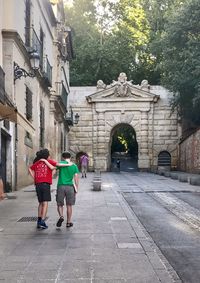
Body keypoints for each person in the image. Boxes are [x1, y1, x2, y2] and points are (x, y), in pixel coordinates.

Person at [29, 149, 72, 229]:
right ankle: (42, 221)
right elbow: (58, 165)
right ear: (47, 156)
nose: (50, 156)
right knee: (45, 203)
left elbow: (30, 169)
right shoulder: (49, 161)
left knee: (40, 203)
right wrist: (68, 164)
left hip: (38, 184)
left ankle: (39, 221)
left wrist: (34, 178)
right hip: (45, 184)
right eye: (49, 154)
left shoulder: (38, 162)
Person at [55, 151, 79, 228]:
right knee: (69, 205)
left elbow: (55, 167)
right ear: (70, 157)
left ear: (62, 157)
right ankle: (68, 222)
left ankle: (61, 216)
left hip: (61, 186)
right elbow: (76, 178)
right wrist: (76, 188)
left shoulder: (61, 163)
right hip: (70, 187)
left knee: (60, 204)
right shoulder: (74, 166)